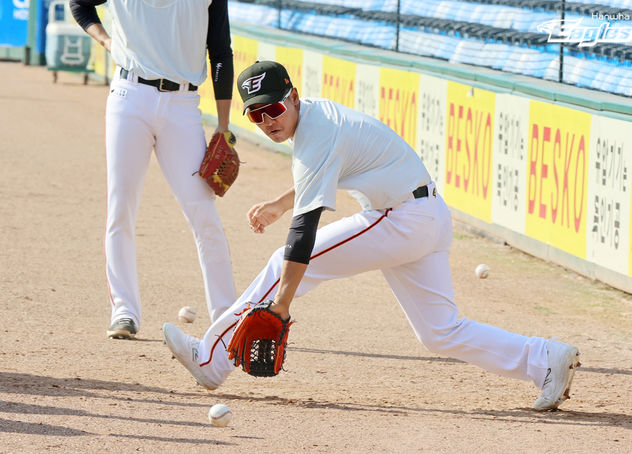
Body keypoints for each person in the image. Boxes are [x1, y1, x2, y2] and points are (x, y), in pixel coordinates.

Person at [162, 61, 581, 411]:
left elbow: (304, 233)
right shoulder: (318, 119)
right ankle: (544, 358)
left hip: (400, 218)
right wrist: (280, 203)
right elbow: (326, 171)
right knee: (439, 331)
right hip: (426, 213)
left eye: (272, 108)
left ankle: (210, 360)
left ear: (291, 96)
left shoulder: (316, 132)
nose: (267, 121)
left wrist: (282, 305)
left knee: (281, 266)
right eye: (256, 114)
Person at [70, 0, 237, 339]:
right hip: (129, 97)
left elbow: (220, 52)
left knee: (203, 213)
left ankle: (227, 317)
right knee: (121, 209)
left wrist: (223, 126)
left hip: (183, 106)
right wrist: (105, 40)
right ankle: (124, 311)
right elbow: (79, 5)